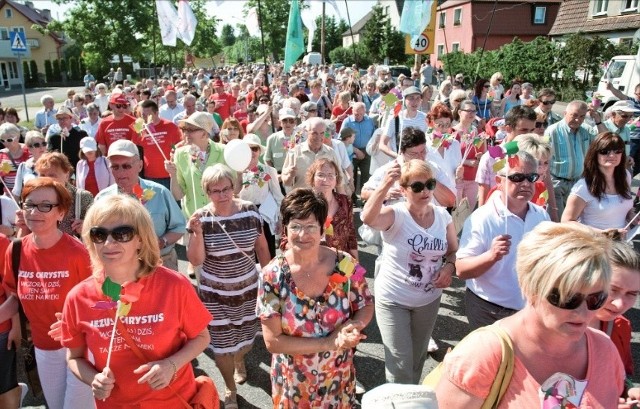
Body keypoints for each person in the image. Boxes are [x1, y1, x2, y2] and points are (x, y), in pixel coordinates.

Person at [437, 222, 625, 408]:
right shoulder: (482, 355)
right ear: (530, 288)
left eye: (596, 298)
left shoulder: (604, 349)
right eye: (569, 298)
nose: (584, 313)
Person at [61, 195, 212, 408]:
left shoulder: (173, 285)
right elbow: (73, 358)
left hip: (172, 401)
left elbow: (202, 337)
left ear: (140, 239)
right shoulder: (78, 297)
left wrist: (171, 365)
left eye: (122, 233)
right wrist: (92, 379)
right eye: (99, 234)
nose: (109, 243)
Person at [257, 188, 374, 407]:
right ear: (285, 229)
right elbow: (273, 341)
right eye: (296, 227)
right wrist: (329, 343)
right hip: (294, 386)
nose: (303, 235)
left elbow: (365, 303)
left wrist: (354, 325)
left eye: (311, 226)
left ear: (322, 228)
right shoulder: (272, 276)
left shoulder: (345, 263)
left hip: (338, 378)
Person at [0, 178, 94, 409]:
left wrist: (73, 323)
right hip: (43, 346)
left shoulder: (78, 253)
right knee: (55, 405)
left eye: (45, 206)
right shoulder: (17, 249)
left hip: (81, 348)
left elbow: (100, 301)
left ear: (61, 213)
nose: (35, 212)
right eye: (29, 204)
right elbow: (15, 299)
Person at [362, 159, 457, 383]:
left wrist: (449, 267)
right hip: (394, 300)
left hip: (428, 299)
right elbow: (367, 217)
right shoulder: (395, 215)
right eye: (417, 186)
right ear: (403, 190)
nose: (425, 191)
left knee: (417, 361)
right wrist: (385, 184)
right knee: (400, 367)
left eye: (430, 184)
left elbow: (453, 250)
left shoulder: (443, 216)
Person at [186, 164, 271, 409]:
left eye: (226, 189)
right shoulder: (200, 218)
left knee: (246, 341)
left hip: (249, 292)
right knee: (222, 348)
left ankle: (240, 360)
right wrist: (197, 233)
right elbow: (195, 261)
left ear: (234, 187)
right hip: (215, 296)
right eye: (216, 191)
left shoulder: (249, 211)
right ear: (206, 192)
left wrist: (269, 282)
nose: (222, 195)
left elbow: (262, 248)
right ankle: (230, 389)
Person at [457, 151, 550, 330]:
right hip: (489, 309)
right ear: (499, 182)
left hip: (528, 310)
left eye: (531, 177)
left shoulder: (541, 215)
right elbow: (461, 270)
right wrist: (491, 256)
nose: (525, 183)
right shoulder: (483, 218)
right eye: (516, 177)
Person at [97, 140, 185, 272]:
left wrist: (162, 241)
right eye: (115, 167)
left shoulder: (159, 192)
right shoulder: (102, 199)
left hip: (159, 263)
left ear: (140, 165)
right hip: (120, 269)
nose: (120, 172)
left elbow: (179, 227)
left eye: (126, 166)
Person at [562, 131, 636, 233]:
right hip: (594, 245)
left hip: (622, 244)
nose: (612, 155)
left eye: (617, 150)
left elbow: (620, 207)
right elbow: (566, 222)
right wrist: (602, 233)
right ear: (594, 154)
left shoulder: (625, 176)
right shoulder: (583, 187)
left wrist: (631, 215)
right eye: (605, 151)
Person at [166, 112, 228, 220]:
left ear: (204, 134)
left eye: (191, 130)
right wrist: (173, 175)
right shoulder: (180, 154)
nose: (186, 134)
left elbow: (234, 189)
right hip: (193, 220)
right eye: (185, 130)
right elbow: (177, 196)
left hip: (221, 219)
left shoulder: (224, 151)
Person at [545, 101, 599, 216]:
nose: (577, 120)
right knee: (557, 219)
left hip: (578, 182)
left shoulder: (587, 131)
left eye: (582, 116)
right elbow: (543, 158)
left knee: (573, 218)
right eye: (574, 115)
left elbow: (605, 142)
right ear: (565, 113)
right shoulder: (552, 131)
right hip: (557, 183)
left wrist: (598, 121)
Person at [476, 105, 537, 206]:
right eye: (524, 130)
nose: (529, 135)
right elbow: (483, 197)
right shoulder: (490, 158)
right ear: (508, 128)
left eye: (532, 130)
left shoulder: (536, 156)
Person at [238, 134, 284, 258]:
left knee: (268, 253)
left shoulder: (268, 170)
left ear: (259, 151)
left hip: (265, 214)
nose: (252, 152)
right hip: (244, 215)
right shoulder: (237, 171)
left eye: (255, 149)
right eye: (249, 148)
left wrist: (280, 219)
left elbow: (278, 196)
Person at [32, 152, 93, 237]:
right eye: (42, 175)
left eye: (52, 175)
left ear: (67, 175)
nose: (46, 179)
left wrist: (86, 228)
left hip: (73, 249)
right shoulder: (34, 198)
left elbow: (96, 231)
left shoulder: (82, 197)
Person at [281, 117, 344, 192]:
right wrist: (290, 175)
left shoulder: (330, 153)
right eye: (314, 133)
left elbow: (339, 181)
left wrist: (342, 201)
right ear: (307, 132)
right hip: (302, 201)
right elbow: (286, 183)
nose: (318, 137)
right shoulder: (295, 152)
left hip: (325, 201)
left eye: (322, 133)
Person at [132, 99, 183, 189]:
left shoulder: (170, 126)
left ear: (156, 113)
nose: (145, 118)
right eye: (143, 115)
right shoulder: (139, 127)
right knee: (152, 202)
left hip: (170, 175)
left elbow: (180, 146)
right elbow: (134, 149)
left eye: (149, 115)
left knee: (172, 202)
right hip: (149, 176)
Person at [453, 100, 485, 209]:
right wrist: (467, 162)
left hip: (472, 179)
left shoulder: (477, 132)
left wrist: (480, 157)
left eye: (473, 111)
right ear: (460, 112)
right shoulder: (452, 132)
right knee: (456, 213)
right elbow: (448, 158)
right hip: (457, 179)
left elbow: (483, 153)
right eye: (468, 111)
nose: (471, 114)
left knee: (468, 213)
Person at [380, 86, 428, 157]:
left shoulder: (425, 118)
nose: (415, 102)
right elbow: (382, 144)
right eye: (411, 98)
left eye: (418, 98)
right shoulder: (395, 118)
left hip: (418, 163)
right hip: (399, 163)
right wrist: (397, 156)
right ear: (404, 100)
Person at [341, 102, 376, 196]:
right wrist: (356, 150)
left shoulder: (369, 121)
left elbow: (374, 136)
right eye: (356, 114)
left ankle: (365, 197)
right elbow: (342, 140)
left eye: (361, 114)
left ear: (365, 112)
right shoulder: (347, 122)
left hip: (367, 151)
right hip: (351, 152)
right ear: (352, 111)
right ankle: (352, 198)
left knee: (366, 176)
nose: (359, 116)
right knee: (352, 177)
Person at [12, 130, 46, 199]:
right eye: (37, 145)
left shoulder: (54, 163)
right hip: (30, 205)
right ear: (29, 148)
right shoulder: (23, 167)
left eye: (44, 143)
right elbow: (16, 193)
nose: (41, 147)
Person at [0, 123, 29, 194]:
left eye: (9, 140)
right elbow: (1, 179)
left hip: (27, 192)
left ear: (18, 137)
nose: (6, 143)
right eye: (2, 140)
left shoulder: (29, 150)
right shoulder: (1, 154)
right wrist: (1, 172)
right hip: (10, 194)